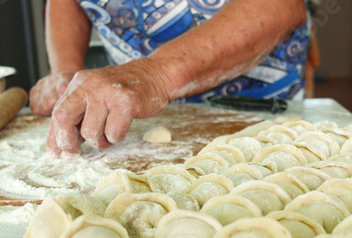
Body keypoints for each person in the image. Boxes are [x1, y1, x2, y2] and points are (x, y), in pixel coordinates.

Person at [30, 0, 309, 156]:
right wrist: (66, 73)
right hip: (132, 110)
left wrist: (155, 75)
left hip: (253, 107)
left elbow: (280, 5)